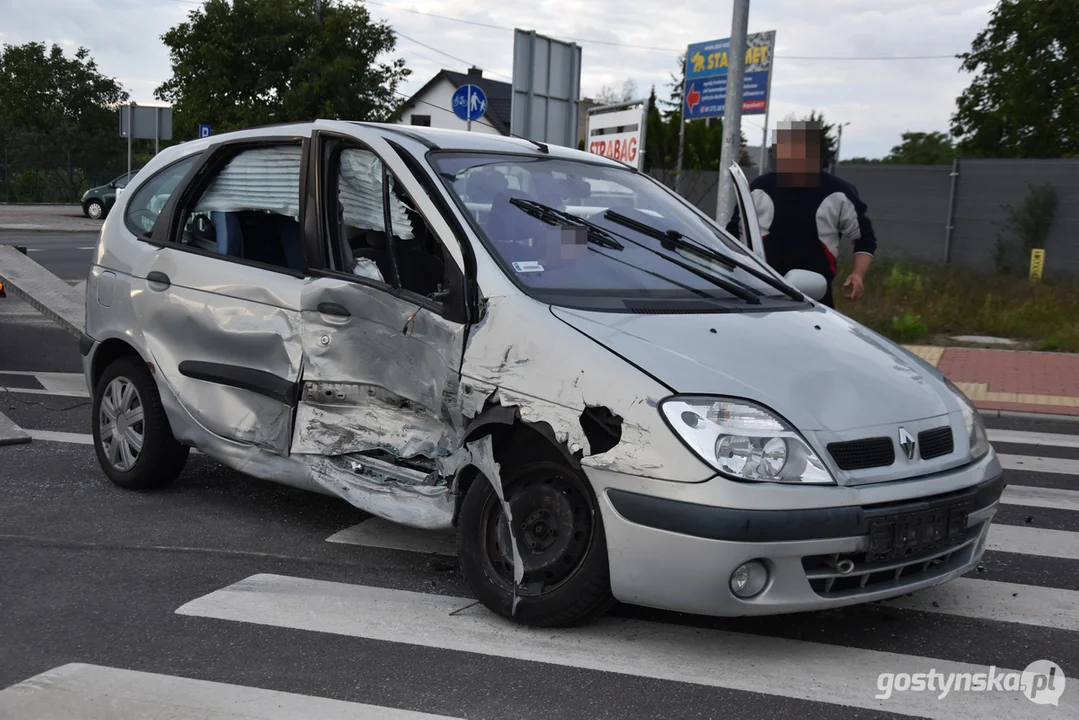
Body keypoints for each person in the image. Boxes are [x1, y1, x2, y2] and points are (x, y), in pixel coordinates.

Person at [725, 120, 876, 308]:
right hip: (759, 294)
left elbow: (865, 239)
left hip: (816, 298)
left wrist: (858, 275)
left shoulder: (839, 193)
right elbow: (732, 234)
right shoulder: (759, 188)